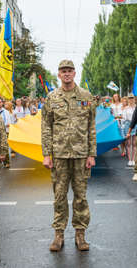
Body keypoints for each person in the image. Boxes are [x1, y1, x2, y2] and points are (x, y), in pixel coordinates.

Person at [41, 59, 96, 252]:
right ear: (58, 74)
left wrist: (92, 154)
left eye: (69, 70)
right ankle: (59, 235)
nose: (66, 74)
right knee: (59, 196)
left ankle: (80, 235)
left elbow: (91, 127)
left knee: (81, 196)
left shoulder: (86, 96)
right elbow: (46, 127)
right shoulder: (52, 98)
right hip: (59, 155)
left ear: (74, 73)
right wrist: (47, 154)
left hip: (81, 155)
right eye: (63, 71)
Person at [0, 98, 12, 168]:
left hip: (5, 132)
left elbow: (9, 122)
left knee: (5, 147)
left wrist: (7, 125)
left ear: (2, 103)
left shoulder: (6, 112)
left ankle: (6, 162)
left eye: (0, 102)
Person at [123, 94, 137, 167]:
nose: (131, 100)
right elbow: (124, 118)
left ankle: (133, 159)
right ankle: (129, 160)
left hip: (135, 124)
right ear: (128, 99)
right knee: (128, 143)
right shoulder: (125, 108)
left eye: (132, 98)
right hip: (128, 125)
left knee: (134, 143)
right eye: (129, 98)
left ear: (134, 99)